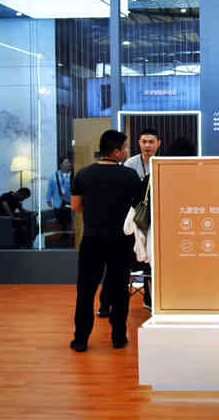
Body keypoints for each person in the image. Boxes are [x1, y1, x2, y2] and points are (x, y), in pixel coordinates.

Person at [70, 129, 141, 352]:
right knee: (119, 289)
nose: (126, 152)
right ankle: (118, 337)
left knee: (86, 290)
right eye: (125, 148)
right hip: (121, 241)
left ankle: (80, 339)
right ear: (117, 152)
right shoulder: (130, 176)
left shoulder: (83, 174)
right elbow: (138, 207)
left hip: (92, 239)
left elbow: (75, 206)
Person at [98, 128, 161, 318]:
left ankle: (150, 299)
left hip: (155, 222)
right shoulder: (130, 164)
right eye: (144, 141)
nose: (147, 145)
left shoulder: (163, 163)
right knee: (118, 263)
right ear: (139, 143)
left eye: (151, 141)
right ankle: (106, 303)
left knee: (152, 262)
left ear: (158, 144)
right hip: (130, 221)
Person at [45, 157, 72, 232]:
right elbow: (50, 188)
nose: (68, 164)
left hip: (69, 202)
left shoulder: (72, 176)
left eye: (69, 163)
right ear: (61, 165)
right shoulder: (53, 176)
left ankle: (68, 235)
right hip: (58, 203)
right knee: (59, 222)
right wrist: (48, 200)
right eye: (66, 163)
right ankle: (61, 235)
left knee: (69, 222)